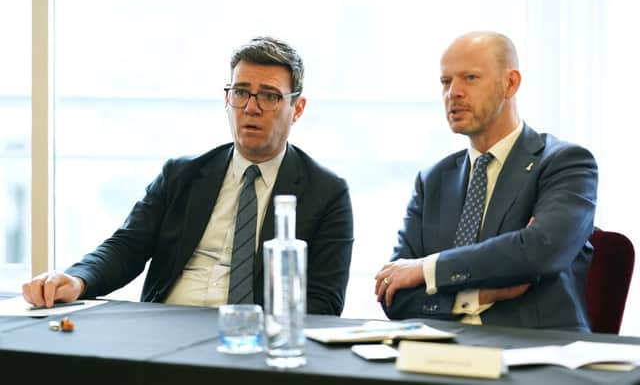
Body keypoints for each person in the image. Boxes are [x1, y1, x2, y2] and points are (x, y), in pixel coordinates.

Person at [23, 36, 354, 316]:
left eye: (268, 96)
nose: (251, 108)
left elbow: (324, 302)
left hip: (254, 340)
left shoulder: (326, 193)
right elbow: (126, 246)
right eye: (240, 92)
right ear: (227, 99)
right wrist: (77, 279)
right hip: (167, 327)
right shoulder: (182, 175)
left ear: (297, 108)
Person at [374, 31, 597, 331]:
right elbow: (394, 293)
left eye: (470, 78)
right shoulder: (433, 180)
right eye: (445, 82)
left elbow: (539, 250)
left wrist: (427, 269)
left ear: (510, 83)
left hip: (534, 351)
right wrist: (474, 297)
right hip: (440, 354)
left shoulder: (565, 163)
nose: (453, 92)